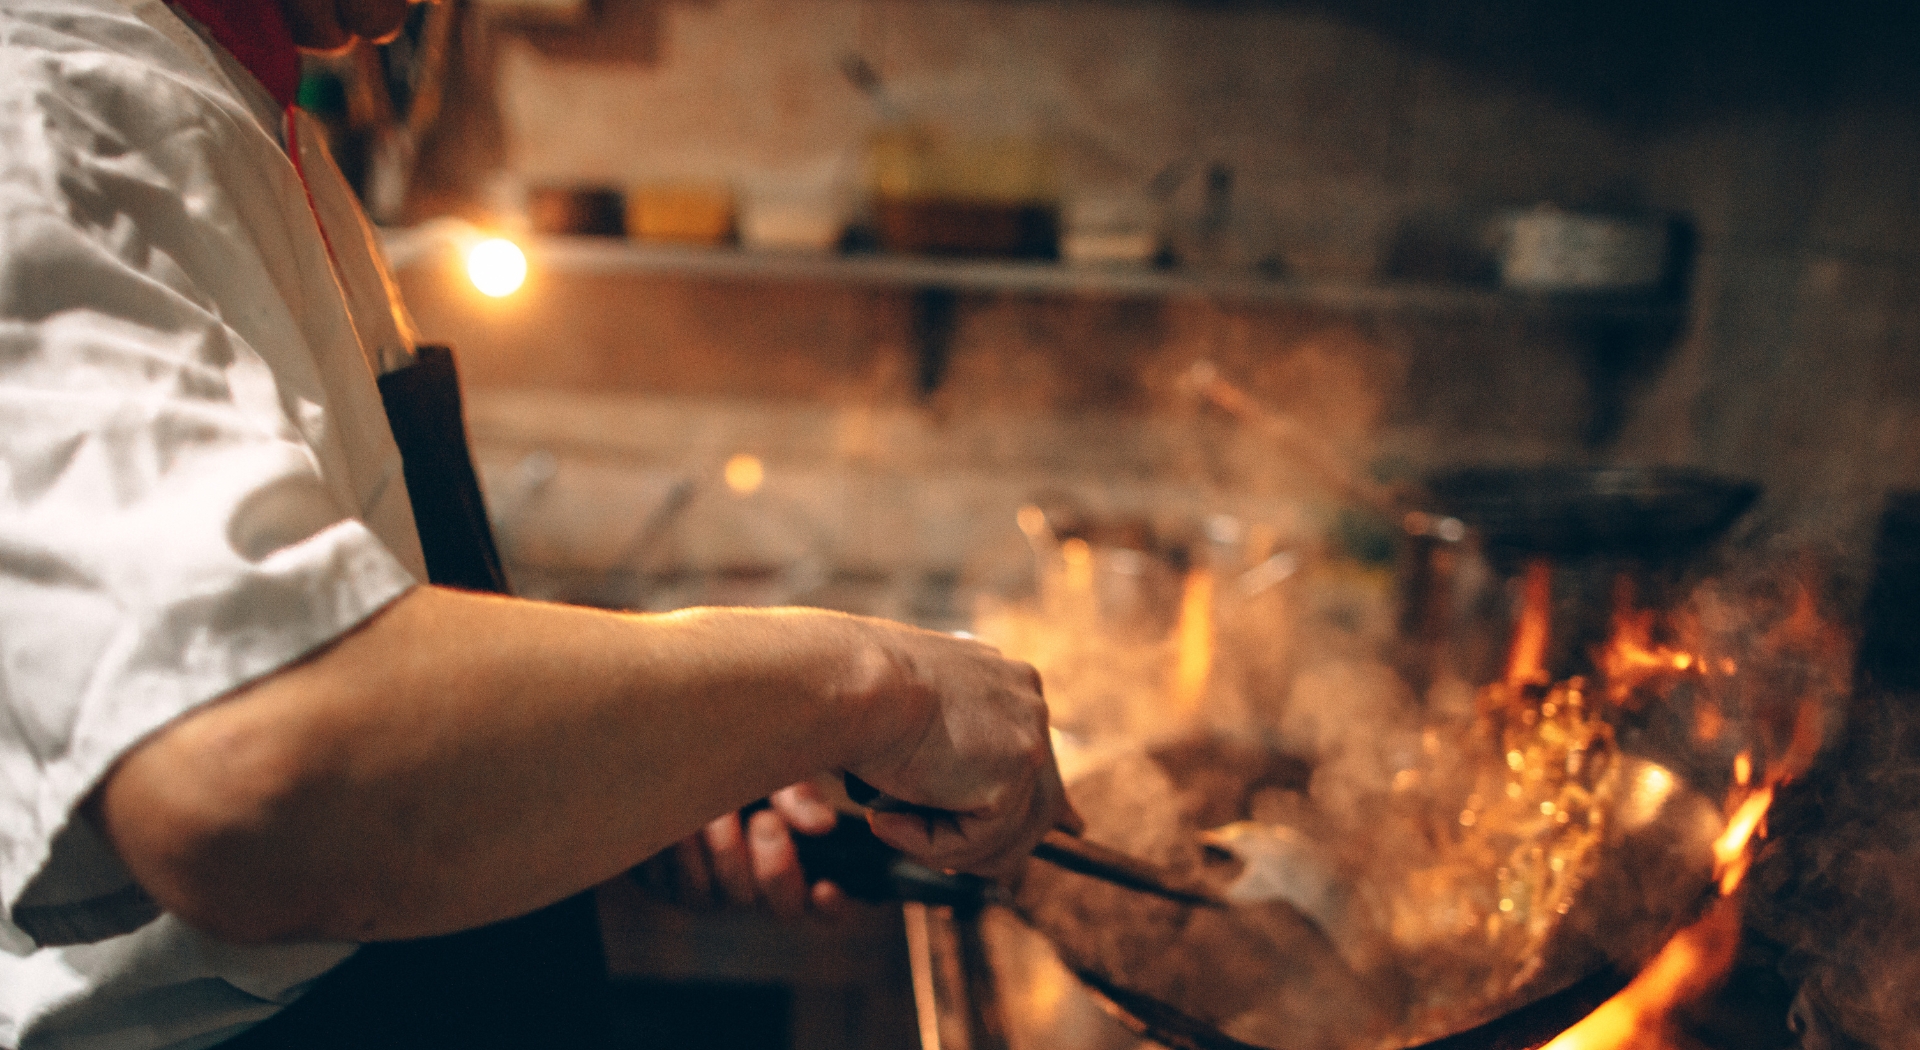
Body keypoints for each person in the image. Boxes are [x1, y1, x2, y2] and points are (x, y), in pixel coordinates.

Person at [0, 0, 1075, 1046]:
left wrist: (642, 769)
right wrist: (874, 684)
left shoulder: (240, 109)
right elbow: (250, 766)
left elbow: (361, 679)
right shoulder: (55, 104)